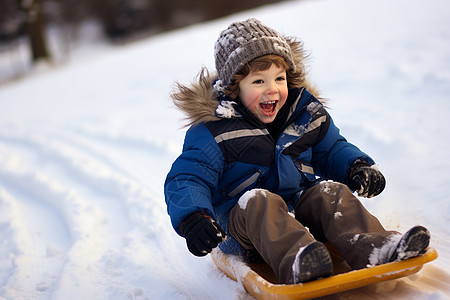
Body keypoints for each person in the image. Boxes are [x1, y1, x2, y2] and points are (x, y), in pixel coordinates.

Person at [164, 18, 430, 284]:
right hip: (244, 227)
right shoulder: (213, 131)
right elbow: (188, 178)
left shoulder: (304, 114)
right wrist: (194, 218)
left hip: (297, 207)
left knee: (329, 193)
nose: (272, 89)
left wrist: (356, 166)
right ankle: (301, 262)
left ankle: (376, 247)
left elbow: (332, 149)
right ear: (234, 88)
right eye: (258, 81)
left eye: (279, 78)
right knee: (259, 201)